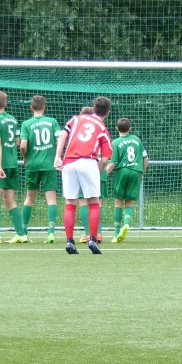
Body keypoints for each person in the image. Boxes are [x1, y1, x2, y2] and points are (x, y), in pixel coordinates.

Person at [54, 97, 113, 254]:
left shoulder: (76, 119)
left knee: (70, 202)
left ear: (93, 108)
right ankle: (93, 239)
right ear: (108, 112)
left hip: (69, 162)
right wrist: (97, 171)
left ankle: (69, 241)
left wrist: (57, 157)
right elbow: (106, 159)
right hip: (88, 162)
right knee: (94, 202)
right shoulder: (102, 128)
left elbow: (63, 135)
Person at [0, 91, 28, 244]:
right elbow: (17, 142)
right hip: (13, 163)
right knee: (10, 200)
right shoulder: (13, 120)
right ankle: (21, 234)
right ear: (5, 104)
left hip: (0, 164)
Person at [19, 95, 61, 244]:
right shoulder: (52, 122)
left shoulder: (26, 124)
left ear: (31, 108)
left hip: (32, 164)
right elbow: (60, 138)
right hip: (49, 165)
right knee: (51, 198)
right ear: (44, 107)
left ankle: (23, 232)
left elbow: (23, 145)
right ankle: (50, 233)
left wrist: (25, 158)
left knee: (29, 198)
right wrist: (58, 155)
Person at [106, 118, 149, 243]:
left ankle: (117, 232)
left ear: (116, 128)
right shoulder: (136, 140)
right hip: (136, 171)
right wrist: (142, 172)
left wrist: (102, 176)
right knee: (129, 202)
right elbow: (146, 159)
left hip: (122, 172)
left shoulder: (115, 142)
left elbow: (112, 163)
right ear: (130, 128)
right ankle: (126, 224)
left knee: (118, 202)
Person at [76, 107, 107, 244]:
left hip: (84, 169)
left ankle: (89, 234)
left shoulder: (77, 132)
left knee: (83, 201)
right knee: (98, 201)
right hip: (100, 169)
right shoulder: (100, 128)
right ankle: (98, 233)